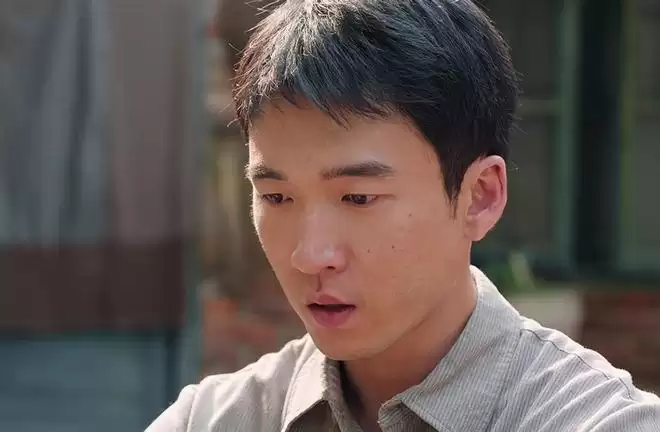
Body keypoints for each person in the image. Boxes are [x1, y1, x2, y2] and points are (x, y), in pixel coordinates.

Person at [147, 0, 660, 430]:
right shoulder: (212, 420)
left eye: (358, 198)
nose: (310, 255)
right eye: (277, 198)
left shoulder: (598, 422)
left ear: (479, 196)